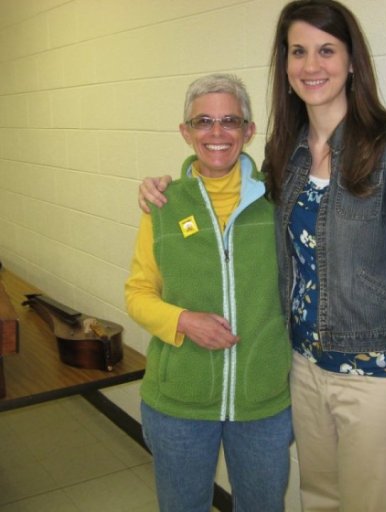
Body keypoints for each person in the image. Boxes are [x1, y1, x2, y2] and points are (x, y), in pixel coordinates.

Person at [138, 1, 386, 511]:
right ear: (284, 67)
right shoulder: (288, 152)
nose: (312, 66)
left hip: (374, 375)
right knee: (317, 500)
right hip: (303, 371)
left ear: (352, 62)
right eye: (298, 52)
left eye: (326, 50)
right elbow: (225, 189)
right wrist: (165, 187)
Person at [125, 73, 293, 512]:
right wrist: (182, 321)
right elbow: (138, 293)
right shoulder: (163, 204)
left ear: (249, 131)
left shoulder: (280, 201)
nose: (216, 133)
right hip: (179, 402)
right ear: (186, 132)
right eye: (203, 121)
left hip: (263, 401)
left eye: (230, 121)